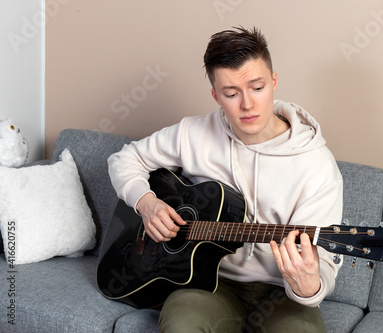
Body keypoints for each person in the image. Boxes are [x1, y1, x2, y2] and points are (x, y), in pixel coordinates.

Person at [108, 26, 343, 332]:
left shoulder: (317, 166)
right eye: (231, 93)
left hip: (282, 293)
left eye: (257, 88)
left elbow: (321, 264)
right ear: (215, 95)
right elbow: (123, 159)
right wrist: (146, 202)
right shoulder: (193, 133)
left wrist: (309, 285)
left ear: (274, 82)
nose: (247, 105)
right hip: (207, 282)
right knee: (182, 325)